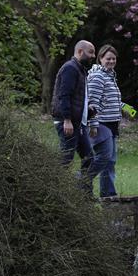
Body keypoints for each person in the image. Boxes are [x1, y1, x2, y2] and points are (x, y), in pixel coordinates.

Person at [51, 40, 107, 194]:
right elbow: (64, 95)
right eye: (91, 52)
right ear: (80, 51)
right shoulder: (70, 68)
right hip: (68, 122)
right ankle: (54, 190)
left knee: (88, 158)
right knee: (65, 159)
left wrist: (88, 110)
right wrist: (67, 119)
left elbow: (77, 98)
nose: (93, 56)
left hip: (77, 123)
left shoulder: (80, 69)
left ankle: (84, 194)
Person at [87, 44, 133, 198]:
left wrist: (124, 107)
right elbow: (92, 103)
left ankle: (108, 194)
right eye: (108, 58)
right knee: (103, 157)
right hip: (101, 124)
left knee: (110, 161)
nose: (111, 61)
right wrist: (93, 124)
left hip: (112, 124)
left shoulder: (110, 75)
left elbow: (109, 99)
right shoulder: (98, 76)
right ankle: (80, 181)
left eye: (113, 59)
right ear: (100, 59)